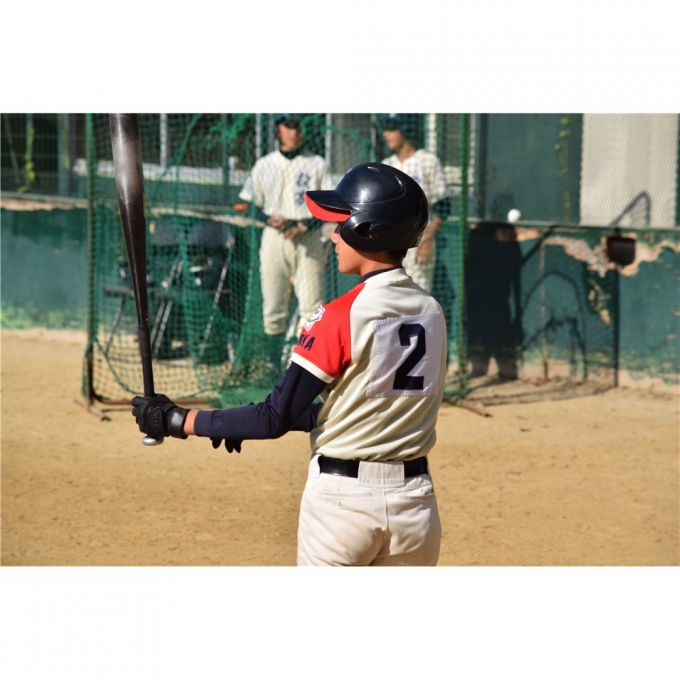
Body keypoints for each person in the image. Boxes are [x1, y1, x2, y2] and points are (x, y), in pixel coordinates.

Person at [131, 162, 448, 567]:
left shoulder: (341, 314)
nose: (333, 235)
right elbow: (358, 408)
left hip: (345, 507)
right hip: (416, 509)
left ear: (368, 230)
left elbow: (273, 417)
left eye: (341, 224)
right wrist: (233, 422)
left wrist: (178, 420)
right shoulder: (431, 311)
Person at [236, 115, 334, 369]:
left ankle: (303, 367)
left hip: (307, 238)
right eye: (289, 126)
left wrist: (306, 225)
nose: (294, 132)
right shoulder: (265, 164)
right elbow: (247, 204)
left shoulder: (317, 163)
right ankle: (272, 367)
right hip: (274, 238)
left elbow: (328, 206)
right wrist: (269, 219)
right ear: (278, 130)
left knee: (313, 307)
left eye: (297, 126)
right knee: (273, 307)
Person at [380, 114, 451, 293]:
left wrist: (427, 239)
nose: (385, 134)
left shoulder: (428, 161)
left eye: (391, 129)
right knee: (390, 297)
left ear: (405, 130)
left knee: (418, 296)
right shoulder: (386, 165)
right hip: (390, 242)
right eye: (385, 129)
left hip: (418, 240)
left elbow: (443, 206)